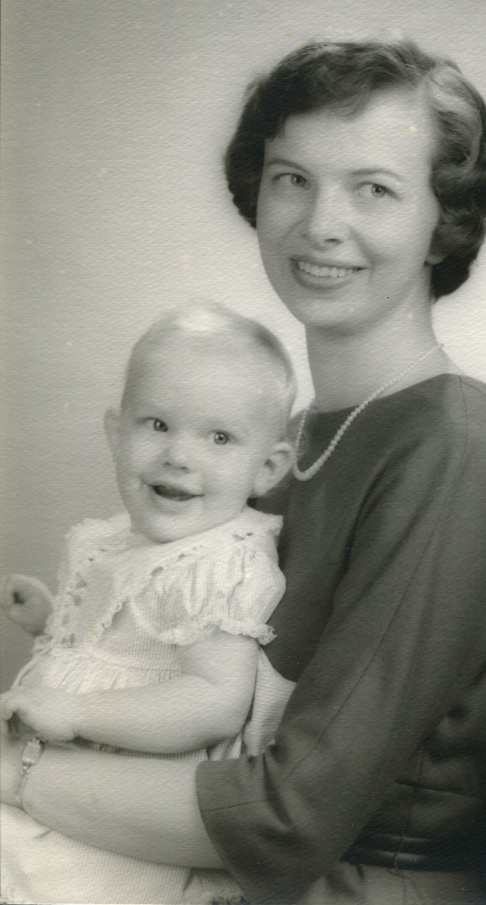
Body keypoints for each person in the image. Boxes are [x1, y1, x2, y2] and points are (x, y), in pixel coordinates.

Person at [0, 38, 486, 905]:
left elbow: (290, 816)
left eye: (374, 189)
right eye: (292, 178)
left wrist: (17, 773)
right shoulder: (287, 440)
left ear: (444, 220)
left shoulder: (451, 449)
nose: (321, 222)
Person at [0, 303, 297, 904]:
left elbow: (215, 701)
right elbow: (122, 648)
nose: (179, 455)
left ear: (267, 468)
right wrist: (52, 620)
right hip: (63, 775)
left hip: (120, 812)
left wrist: (76, 713)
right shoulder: (116, 540)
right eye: (157, 424)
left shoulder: (220, 561)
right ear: (117, 432)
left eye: (218, 437)